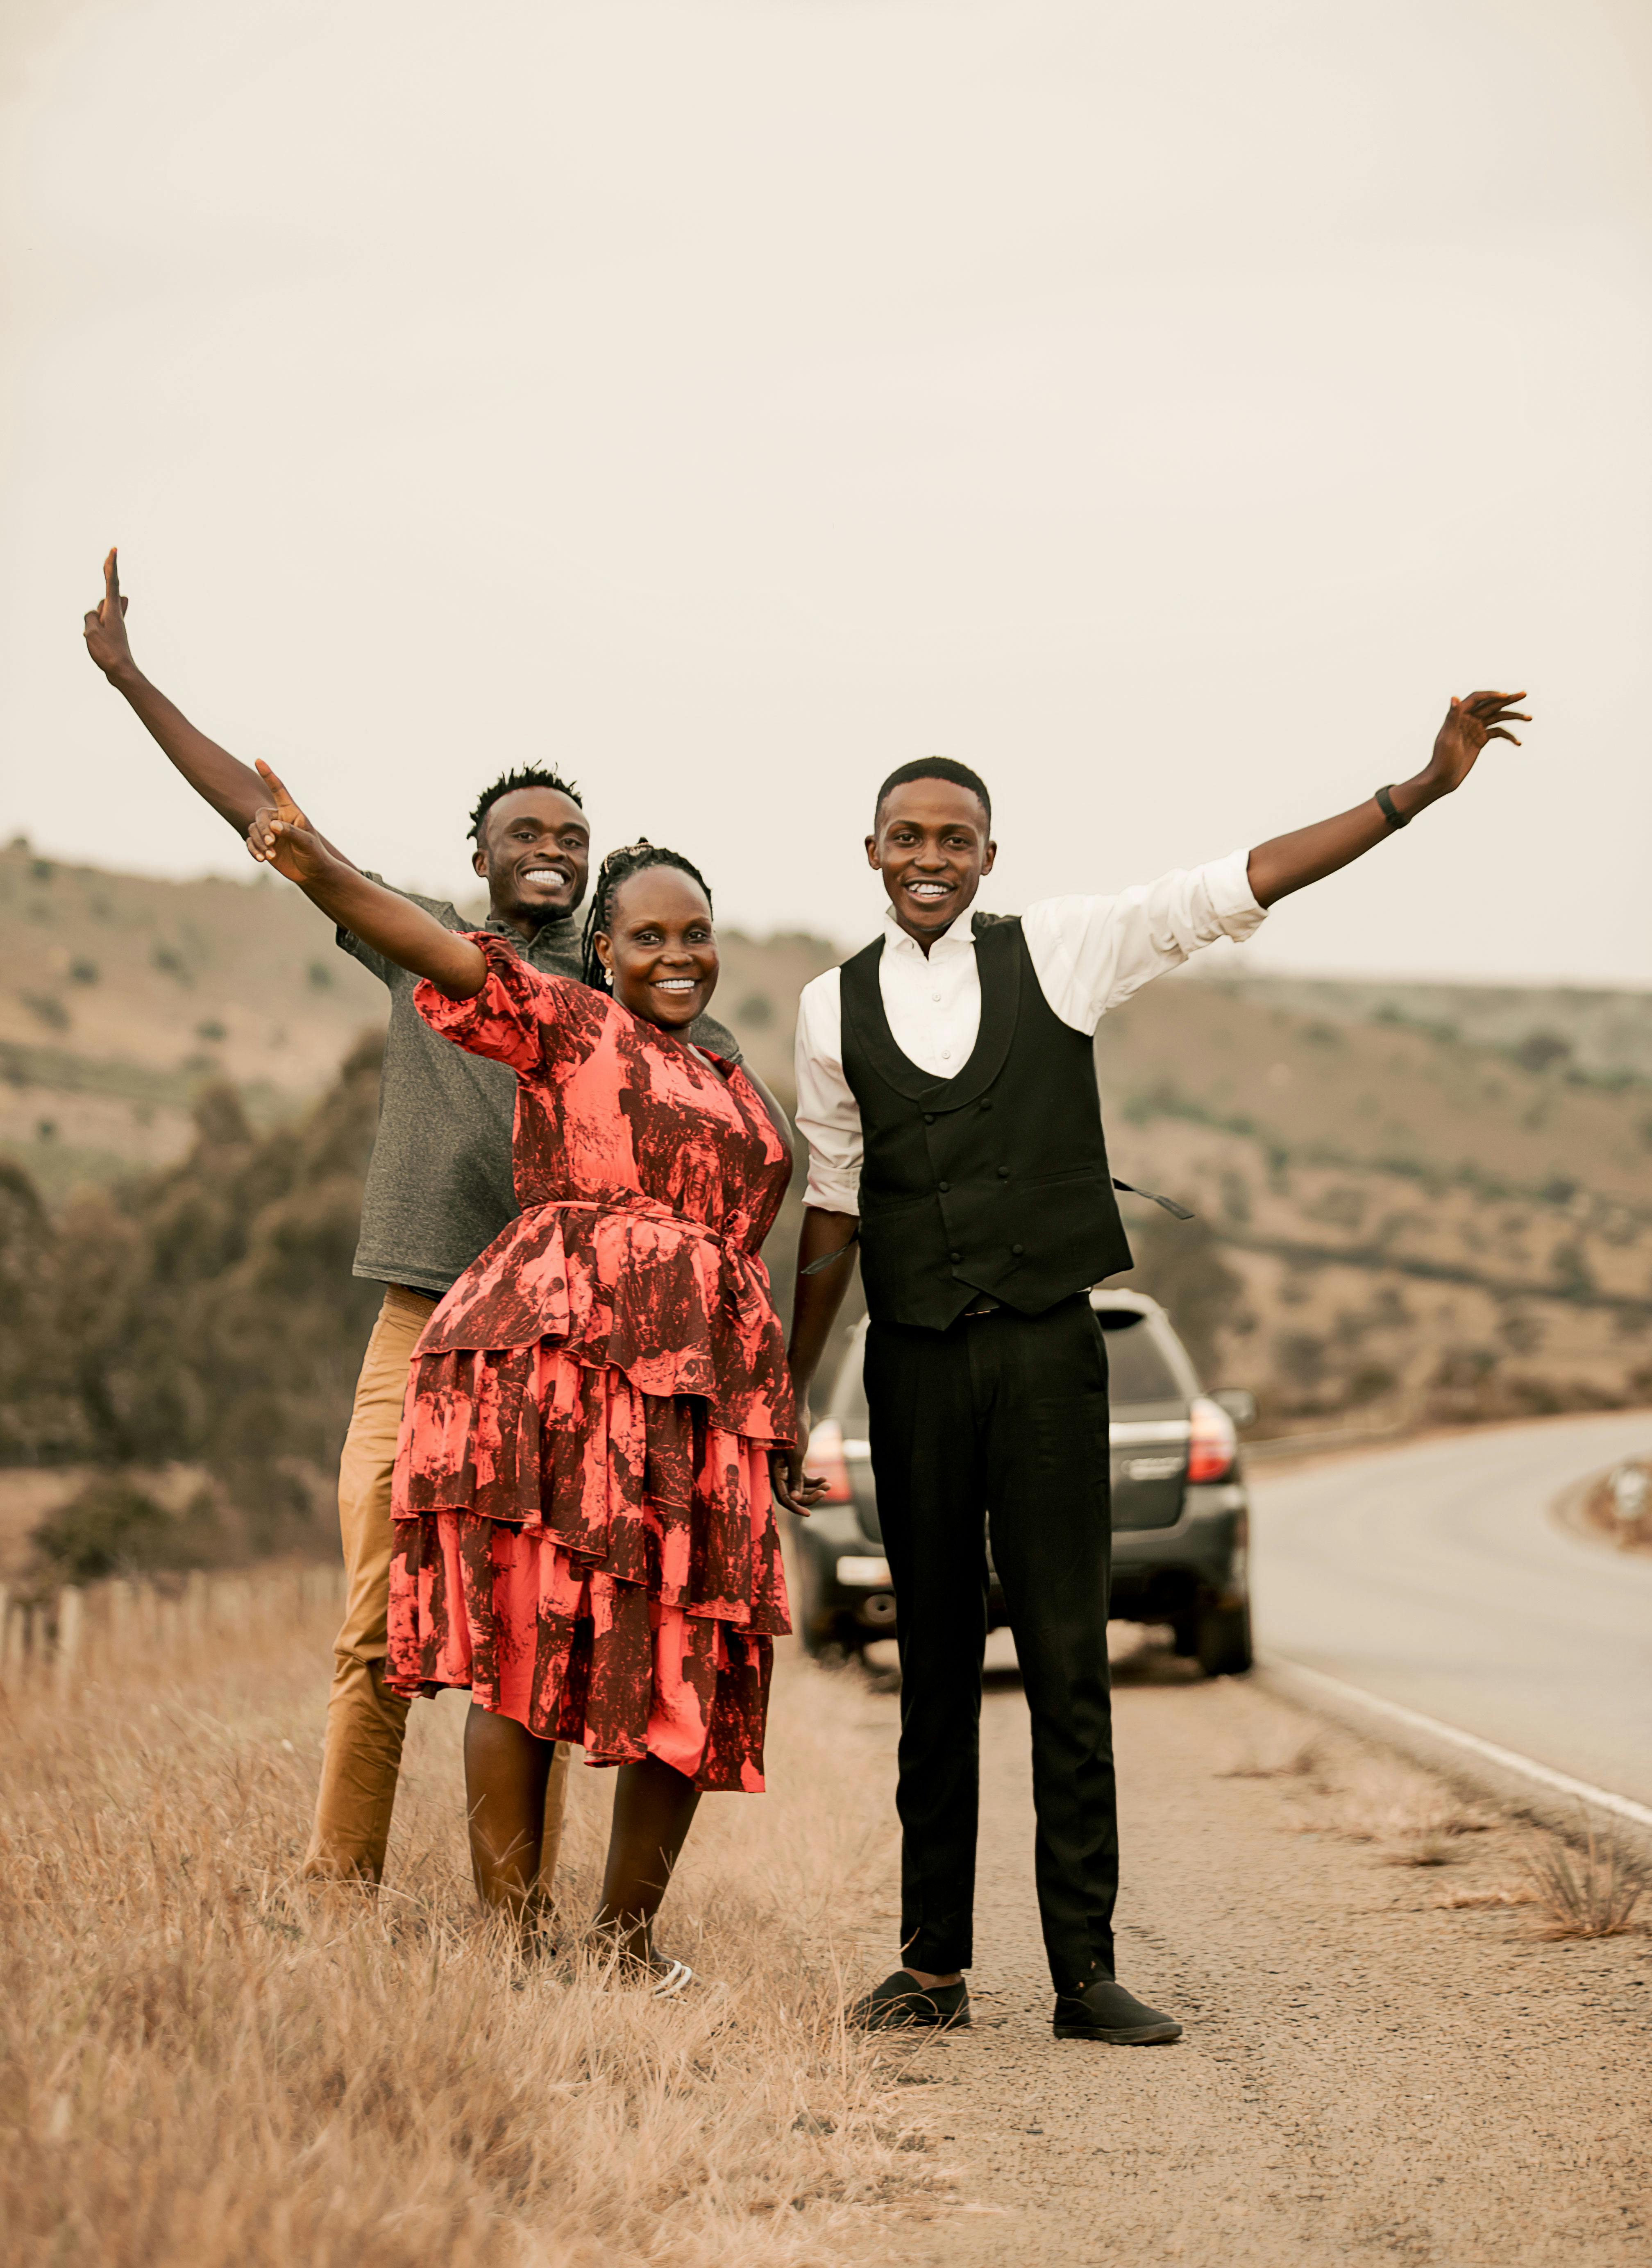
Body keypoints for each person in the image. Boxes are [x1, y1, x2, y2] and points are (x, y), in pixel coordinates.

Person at [772, 693, 1529, 2045]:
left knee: (1069, 1654)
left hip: (1055, 1354)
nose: (931, 855)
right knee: (934, 1665)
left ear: (992, 856)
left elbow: (1233, 887)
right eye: (907, 836)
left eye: (957, 836)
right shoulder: (830, 1011)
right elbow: (832, 1206)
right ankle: (932, 1967)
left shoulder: (1063, 950)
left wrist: (1416, 791)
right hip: (918, 1368)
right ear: (872, 852)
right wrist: (786, 1383)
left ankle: (1084, 1977)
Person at [80, 549, 751, 1887]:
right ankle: (341, 1886)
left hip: (574, 1355)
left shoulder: (634, 987)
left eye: (572, 837)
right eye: (525, 836)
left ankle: (517, 1912)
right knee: (380, 1611)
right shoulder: (431, 949)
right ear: (481, 861)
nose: (550, 853)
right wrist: (130, 679)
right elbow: (288, 844)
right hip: (423, 1319)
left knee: (547, 1627)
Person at [245, 815, 814, 1978]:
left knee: (690, 1650)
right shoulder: (570, 1022)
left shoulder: (733, 1072)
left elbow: (753, 1254)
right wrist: (316, 868)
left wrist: (780, 1408)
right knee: (528, 1635)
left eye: (696, 933)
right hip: (559, 1377)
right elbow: (441, 950)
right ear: (599, 949)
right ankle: (510, 1936)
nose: (677, 953)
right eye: (648, 933)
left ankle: (624, 1942)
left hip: (699, 1402)